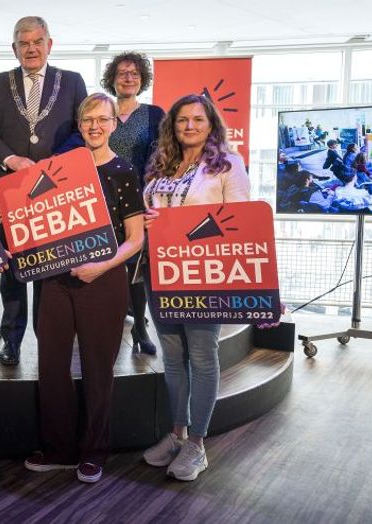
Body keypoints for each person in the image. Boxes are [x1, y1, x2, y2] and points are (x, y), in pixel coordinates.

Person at [23, 93, 144, 483]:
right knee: (52, 366)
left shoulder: (124, 171)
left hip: (104, 281)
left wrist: (101, 266)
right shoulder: (59, 170)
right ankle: (59, 449)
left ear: (113, 124)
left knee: (97, 369)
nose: (94, 126)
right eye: (88, 119)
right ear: (80, 124)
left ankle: (94, 452)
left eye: (102, 119)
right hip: (55, 281)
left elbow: (135, 238)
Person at [141, 94, 250, 482]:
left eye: (198, 120)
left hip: (205, 273)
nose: (189, 126)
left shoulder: (227, 165)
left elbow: (239, 222)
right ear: (172, 125)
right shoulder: (160, 164)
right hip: (161, 271)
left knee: (203, 356)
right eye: (182, 120)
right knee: (173, 357)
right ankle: (176, 434)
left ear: (211, 125)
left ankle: (197, 445)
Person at [0, 16, 87, 366]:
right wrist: (10, 159)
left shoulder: (72, 82)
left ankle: (48, 336)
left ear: (49, 44)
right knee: (12, 270)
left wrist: (55, 164)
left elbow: (80, 129)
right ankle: (11, 339)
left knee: (49, 267)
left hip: (54, 192)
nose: (31, 48)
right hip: (12, 192)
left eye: (37, 41)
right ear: (14, 48)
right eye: (23, 43)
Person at [101, 51, 165, 355]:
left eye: (134, 74)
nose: (128, 78)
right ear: (113, 79)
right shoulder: (101, 111)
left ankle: (140, 327)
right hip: (100, 200)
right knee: (105, 265)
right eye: (123, 73)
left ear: (142, 80)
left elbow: (164, 159)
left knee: (135, 268)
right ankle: (105, 327)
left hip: (137, 200)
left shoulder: (154, 114)